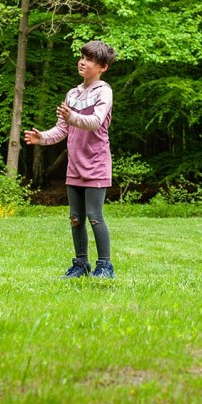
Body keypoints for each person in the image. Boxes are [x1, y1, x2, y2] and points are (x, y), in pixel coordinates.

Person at [24, 41, 117, 279]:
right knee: (76, 218)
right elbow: (61, 129)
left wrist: (72, 115)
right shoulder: (73, 94)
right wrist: (41, 138)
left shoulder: (103, 91)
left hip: (96, 164)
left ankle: (105, 266)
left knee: (95, 217)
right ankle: (80, 264)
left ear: (102, 67)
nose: (83, 62)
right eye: (82, 57)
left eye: (90, 60)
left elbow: (95, 121)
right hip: (74, 166)